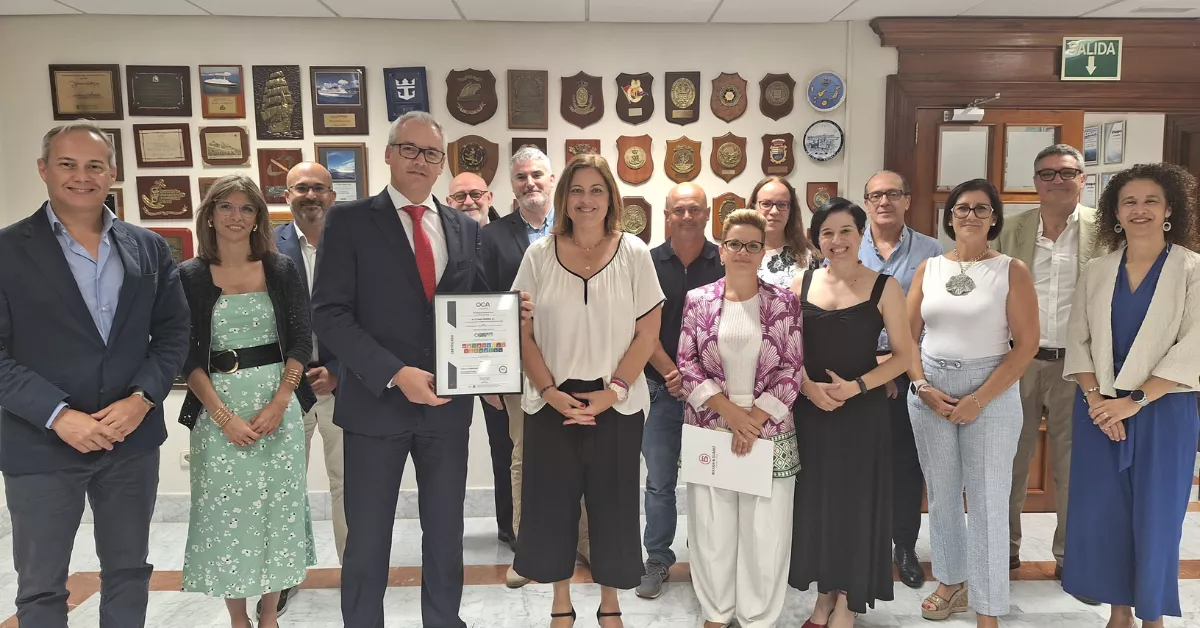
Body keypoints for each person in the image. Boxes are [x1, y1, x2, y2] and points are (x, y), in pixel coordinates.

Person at [0, 121, 190, 628]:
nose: (81, 176)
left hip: (129, 440)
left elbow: (174, 332)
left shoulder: (148, 247)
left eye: (94, 166)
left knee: (128, 571)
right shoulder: (7, 250)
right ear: (43, 169)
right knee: (42, 587)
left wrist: (142, 399)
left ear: (112, 173)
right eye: (67, 164)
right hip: (40, 443)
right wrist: (58, 415)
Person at [311, 111, 482, 628]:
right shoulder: (349, 221)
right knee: (367, 539)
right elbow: (329, 313)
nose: (420, 161)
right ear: (388, 154)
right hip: (374, 406)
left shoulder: (463, 227)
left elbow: (468, 309)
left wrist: (502, 321)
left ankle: (444, 622)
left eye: (431, 153)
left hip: (447, 409)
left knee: (446, 534)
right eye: (410, 149)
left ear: (442, 164)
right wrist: (394, 372)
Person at [511, 153, 664, 628]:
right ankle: (560, 602)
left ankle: (610, 603)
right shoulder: (539, 255)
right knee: (552, 506)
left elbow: (648, 333)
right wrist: (549, 390)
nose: (586, 199)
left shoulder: (634, 253)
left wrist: (613, 391)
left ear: (611, 197)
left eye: (597, 189)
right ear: (564, 197)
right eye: (577, 190)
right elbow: (521, 331)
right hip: (551, 401)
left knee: (613, 507)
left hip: (615, 401)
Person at [1062, 163, 1200, 628]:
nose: (1140, 210)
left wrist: (1133, 401)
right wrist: (1098, 402)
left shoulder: (1192, 269)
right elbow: (1078, 339)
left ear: (1169, 210)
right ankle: (1118, 611)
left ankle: (1151, 616)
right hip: (1099, 410)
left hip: (1164, 410)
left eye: (1151, 201)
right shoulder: (1098, 270)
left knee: (1158, 516)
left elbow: (1193, 347)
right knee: (1105, 514)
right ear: (1116, 213)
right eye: (1129, 202)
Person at [178, 174, 317, 628]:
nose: (236, 216)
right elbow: (185, 356)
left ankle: (270, 614)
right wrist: (222, 416)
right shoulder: (189, 276)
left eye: (247, 208)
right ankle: (238, 618)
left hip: (277, 407)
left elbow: (300, 340)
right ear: (210, 215)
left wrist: (281, 401)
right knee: (227, 516)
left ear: (258, 217)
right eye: (226, 207)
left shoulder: (280, 269)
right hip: (218, 410)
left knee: (278, 512)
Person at [905, 178, 1037, 627]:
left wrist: (978, 399)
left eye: (982, 208)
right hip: (930, 389)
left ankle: (988, 606)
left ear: (994, 218)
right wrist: (921, 386)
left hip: (991, 389)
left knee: (987, 501)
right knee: (942, 496)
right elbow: (907, 338)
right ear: (950, 216)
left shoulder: (1011, 270)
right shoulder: (929, 268)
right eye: (962, 207)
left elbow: (1026, 346)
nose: (971, 215)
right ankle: (950, 582)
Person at [676, 208, 803, 628]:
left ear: (763, 251)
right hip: (712, 424)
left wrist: (753, 421)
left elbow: (791, 367)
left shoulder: (784, 302)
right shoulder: (698, 300)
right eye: (735, 244)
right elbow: (687, 364)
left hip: (769, 427)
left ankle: (757, 617)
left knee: (764, 531)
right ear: (722, 249)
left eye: (752, 245)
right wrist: (731, 414)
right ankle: (716, 611)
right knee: (711, 527)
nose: (743, 251)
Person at [790, 198, 912, 628]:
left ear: (861, 235)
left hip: (862, 413)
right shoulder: (801, 283)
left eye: (846, 231)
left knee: (856, 505)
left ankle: (848, 600)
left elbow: (904, 356)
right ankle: (824, 595)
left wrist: (856, 387)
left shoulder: (885, 287)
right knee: (819, 504)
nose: (836, 240)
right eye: (827, 232)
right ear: (816, 239)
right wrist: (807, 387)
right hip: (812, 412)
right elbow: (787, 350)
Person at [479, 146, 590, 589]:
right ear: (512, 185)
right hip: (519, 370)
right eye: (522, 177)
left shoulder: (579, 227)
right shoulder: (491, 237)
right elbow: (483, 308)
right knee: (525, 458)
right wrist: (488, 376)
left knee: (584, 456)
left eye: (537, 175)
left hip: (579, 362)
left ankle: (585, 543)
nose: (530, 183)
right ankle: (529, 551)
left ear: (552, 179)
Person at [993, 145, 1098, 592]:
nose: (1057, 181)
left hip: (1078, 367)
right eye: (1047, 173)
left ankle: (1071, 557)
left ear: (1082, 179)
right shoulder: (1010, 230)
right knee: (1008, 461)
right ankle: (1003, 549)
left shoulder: (1105, 230)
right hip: (1018, 362)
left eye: (1067, 173)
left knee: (1073, 468)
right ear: (1035, 181)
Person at [636, 182, 725, 600]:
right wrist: (674, 373)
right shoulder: (646, 262)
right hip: (659, 389)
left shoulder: (725, 259)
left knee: (713, 480)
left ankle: (708, 558)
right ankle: (657, 558)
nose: (687, 216)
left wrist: (697, 382)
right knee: (659, 482)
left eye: (694, 209)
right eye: (679, 210)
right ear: (666, 215)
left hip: (714, 395)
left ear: (707, 214)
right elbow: (638, 326)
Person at [268, 161, 347, 617]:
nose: (311, 195)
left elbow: (367, 316)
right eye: (301, 188)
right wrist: (290, 375)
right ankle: (282, 577)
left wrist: (337, 369)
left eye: (319, 187)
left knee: (348, 485)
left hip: (342, 384)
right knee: (284, 485)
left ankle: (355, 571)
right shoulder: (266, 246)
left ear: (332, 195)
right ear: (287, 196)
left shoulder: (353, 245)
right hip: (285, 388)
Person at [858, 170, 941, 588]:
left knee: (906, 464)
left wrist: (896, 364)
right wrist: (875, 365)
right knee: (859, 462)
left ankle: (904, 545)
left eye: (893, 194)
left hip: (910, 372)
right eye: (876, 195)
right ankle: (861, 544)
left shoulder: (932, 251)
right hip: (856, 371)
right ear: (866, 203)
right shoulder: (846, 244)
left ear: (907, 200)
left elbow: (933, 316)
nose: (884, 202)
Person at [445, 170, 516, 553]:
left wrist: (491, 380)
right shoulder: (438, 235)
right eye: (460, 196)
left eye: (475, 194)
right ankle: (445, 533)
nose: (469, 201)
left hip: (499, 364)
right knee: (447, 452)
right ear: (448, 202)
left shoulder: (508, 237)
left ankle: (511, 526)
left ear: (489, 197)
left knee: (506, 448)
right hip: (447, 363)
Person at [749, 176, 818, 288]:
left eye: (782, 204)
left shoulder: (809, 257)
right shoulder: (738, 254)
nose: (774, 211)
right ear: (753, 207)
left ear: (791, 210)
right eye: (766, 204)